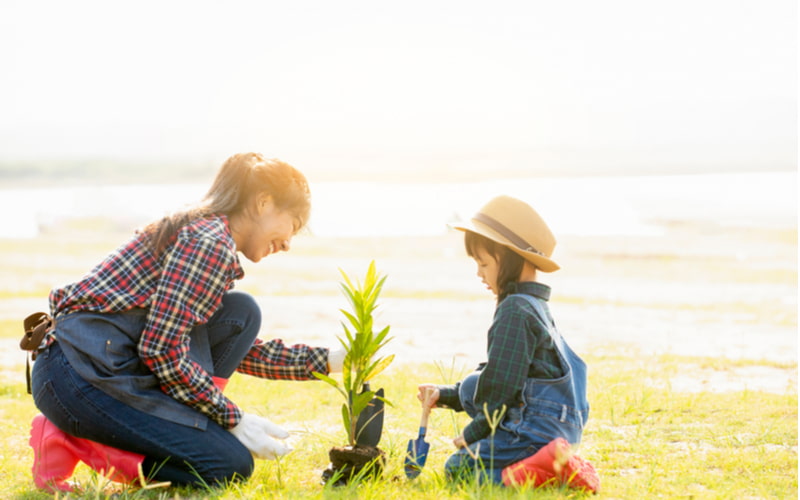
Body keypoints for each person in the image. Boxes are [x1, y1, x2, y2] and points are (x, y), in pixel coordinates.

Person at [27, 152, 346, 493]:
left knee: (240, 313)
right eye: (293, 225)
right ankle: (76, 441)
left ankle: (186, 422)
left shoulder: (207, 234)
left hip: (90, 367)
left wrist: (328, 361)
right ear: (263, 203)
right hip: (79, 377)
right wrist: (233, 418)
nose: (287, 244)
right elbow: (162, 349)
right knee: (226, 465)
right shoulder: (208, 244)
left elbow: (211, 344)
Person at [416, 195, 599, 492]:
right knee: (475, 382)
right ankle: (548, 462)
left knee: (459, 468)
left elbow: (501, 387)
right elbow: (497, 375)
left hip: (533, 432)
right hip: (559, 429)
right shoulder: (536, 306)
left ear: (510, 258)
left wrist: (472, 434)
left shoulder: (515, 309)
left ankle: (548, 473)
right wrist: (446, 394)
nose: (479, 273)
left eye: (484, 263)